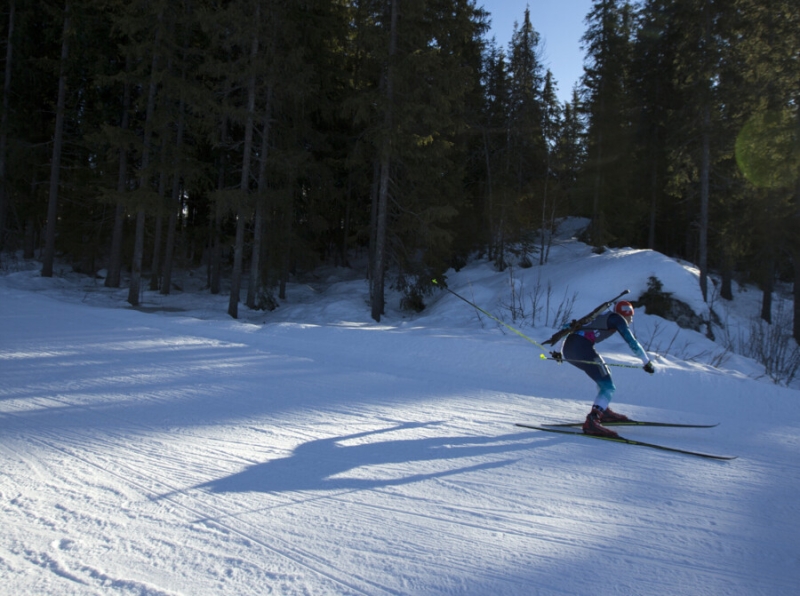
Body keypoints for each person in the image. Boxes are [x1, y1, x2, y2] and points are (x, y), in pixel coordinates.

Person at [557, 300, 655, 437]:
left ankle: (604, 411)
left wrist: (560, 352)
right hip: (581, 349)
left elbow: (569, 328)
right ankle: (593, 420)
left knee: (604, 375)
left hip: (572, 349)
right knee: (608, 386)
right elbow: (631, 341)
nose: (631, 321)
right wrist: (646, 362)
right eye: (630, 317)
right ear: (625, 314)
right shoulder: (617, 319)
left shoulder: (604, 317)